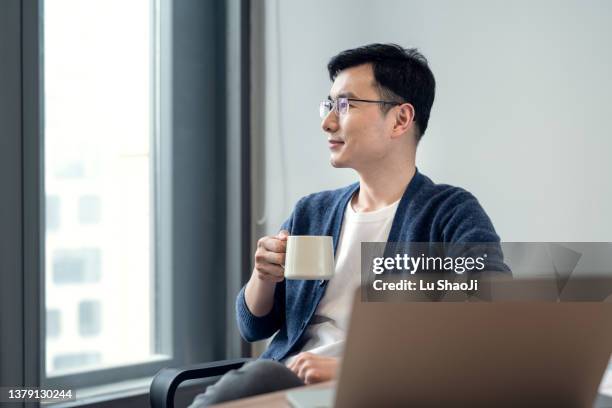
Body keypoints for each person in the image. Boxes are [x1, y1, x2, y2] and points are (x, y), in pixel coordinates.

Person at [189, 43, 506, 407]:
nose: (327, 122)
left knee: (259, 378)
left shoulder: (449, 213)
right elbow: (254, 326)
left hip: (384, 390)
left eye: (346, 105)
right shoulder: (313, 212)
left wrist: (352, 371)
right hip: (292, 383)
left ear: (401, 119)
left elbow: (488, 318)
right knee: (262, 376)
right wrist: (263, 277)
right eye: (329, 105)